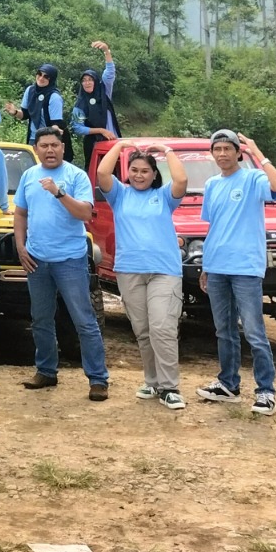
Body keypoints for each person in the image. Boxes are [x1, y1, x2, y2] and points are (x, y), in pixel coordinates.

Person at [195, 130, 276, 416]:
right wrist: (206, 266)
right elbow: (215, 227)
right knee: (224, 330)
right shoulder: (211, 184)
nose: (222, 154)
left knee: (254, 331)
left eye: (227, 149)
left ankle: (265, 391)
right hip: (217, 266)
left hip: (246, 267)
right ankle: (228, 384)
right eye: (217, 149)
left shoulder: (252, 178)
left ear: (238, 152)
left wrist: (257, 151)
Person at [13, 127, 109, 400]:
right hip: (36, 260)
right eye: (44, 145)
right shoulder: (29, 176)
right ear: (36, 148)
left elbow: (85, 214)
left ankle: (98, 379)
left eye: (55, 145)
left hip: (70, 260)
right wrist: (21, 247)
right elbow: (20, 213)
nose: (50, 150)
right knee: (41, 319)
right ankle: (45, 371)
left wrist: (58, 193)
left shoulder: (76, 176)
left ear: (63, 148)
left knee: (84, 320)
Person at [96, 139, 188, 410]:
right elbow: (103, 173)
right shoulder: (119, 195)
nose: (139, 175)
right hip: (129, 271)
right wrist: (121, 144)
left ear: (154, 174)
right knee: (143, 330)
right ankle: (152, 381)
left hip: (164, 271)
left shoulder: (164, 197)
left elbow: (181, 179)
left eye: (145, 171)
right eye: (134, 170)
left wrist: (167, 151)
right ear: (128, 172)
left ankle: (170, 387)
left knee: (163, 327)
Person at [6, 64, 71, 162]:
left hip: (49, 140)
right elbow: (25, 114)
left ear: (52, 79)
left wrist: (56, 129)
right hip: (33, 138)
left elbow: (56, 124)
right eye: (39, 74)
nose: (41, 78)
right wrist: (14, 112)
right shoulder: (30, 90)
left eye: (46, 76)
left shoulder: (54, 97)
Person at [71, 41, 120, 168]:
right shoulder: (80, 104)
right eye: (84, 80)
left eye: (90, 80)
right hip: (94, 145)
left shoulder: (104, 92)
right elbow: (78, 127)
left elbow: (110, 73)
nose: (87, 83)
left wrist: (106, 51)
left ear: (96, 81)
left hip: (114, 141)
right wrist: (101, 131)